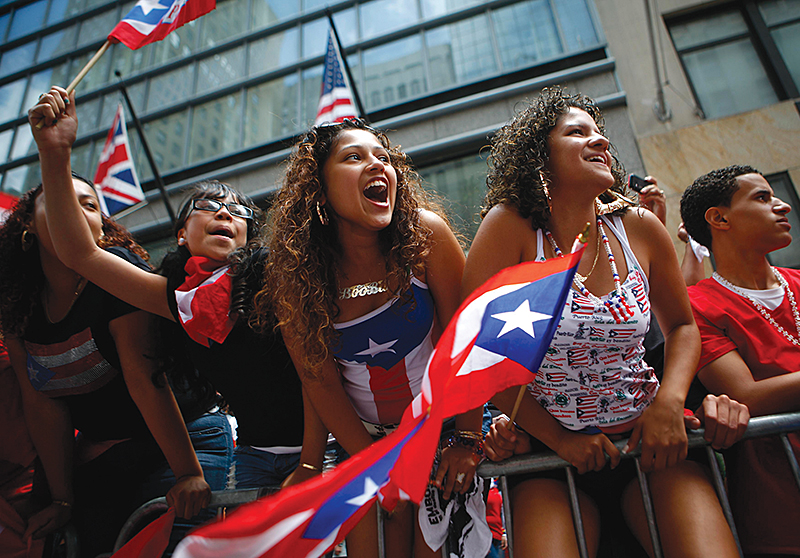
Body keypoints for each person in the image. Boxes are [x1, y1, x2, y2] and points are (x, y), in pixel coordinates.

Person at [465, 87, 743, 558]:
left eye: (601, 134)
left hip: (652, 445)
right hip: (546, 459)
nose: (600, 142)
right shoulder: (509, 227)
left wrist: (669, 405)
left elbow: (682, 327)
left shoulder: (639, 226)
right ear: (540, 158)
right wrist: (559, 439)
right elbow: (475, 352)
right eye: (578, 133)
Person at [27, 86, 321, 492]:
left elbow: (317, 371)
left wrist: (310, 461)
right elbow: (82, 255)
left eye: (238, 212)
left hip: (326, 447)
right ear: (182, 234)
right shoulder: (177, 299)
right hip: (255, 457)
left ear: (249, 238)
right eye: (208, 205)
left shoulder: (273, 276)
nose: (224, 212)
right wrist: (55, 154)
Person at [256, 118, 484, 557]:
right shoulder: (296, 276)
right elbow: (319, 382)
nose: (376, 164)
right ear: (319, 194)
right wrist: (373, 467)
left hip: (448, 431)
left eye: (383, 157)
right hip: (367, 447)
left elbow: (468, 342)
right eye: (354, 157)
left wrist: (467, 438)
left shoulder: (428, 236)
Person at [0, 176, 211, 558]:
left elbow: (147, 381)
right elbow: (41, 403)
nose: (76, 212)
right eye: (62, 201)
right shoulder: (17, 299)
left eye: (90, 205)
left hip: (184, 440)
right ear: (28, 222)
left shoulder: (116, 273)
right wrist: (62, 500)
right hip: (109, 451)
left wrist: (188, 475)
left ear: (102, 224)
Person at [681, 164, 800, 557]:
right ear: (718, 218)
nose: (782, 206)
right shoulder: (697, 307)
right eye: (763, 198)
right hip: (780, 507)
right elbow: (745, 395)